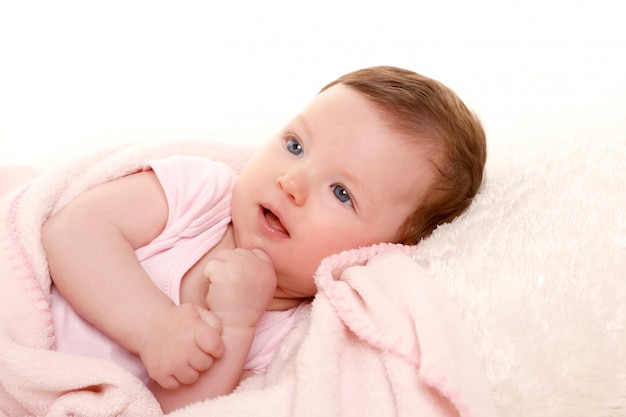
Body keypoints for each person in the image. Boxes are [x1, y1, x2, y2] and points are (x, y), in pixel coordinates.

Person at [42, 65, 487, 412]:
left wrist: (235, 324)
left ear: (379, 250)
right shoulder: (200, 194)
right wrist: (153, 327)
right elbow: (71, 230)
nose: (291, 181)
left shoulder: (287, 337)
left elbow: (174, 408)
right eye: (295, 145)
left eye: (341, 193)